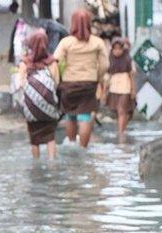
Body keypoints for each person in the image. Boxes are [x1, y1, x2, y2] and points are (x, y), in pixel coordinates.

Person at [53, 9, 107, 148]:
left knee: (70, 115)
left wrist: (59, 79)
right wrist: (97, 77)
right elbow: (105, 65)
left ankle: (71, 144)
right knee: (85, 116)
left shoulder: (66, 42)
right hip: (89, 84)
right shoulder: (97, 42)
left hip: (69, 84)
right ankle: (83, 148)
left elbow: (56, 61)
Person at [17, 30, 60, 159]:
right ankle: (52, 162)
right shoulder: (52, 62)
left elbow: (21, 83)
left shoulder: (25, 63)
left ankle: (36, 162)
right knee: (50, 136)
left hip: (31, 106)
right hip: (49, 104)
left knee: (34, 138)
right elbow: (56, 82)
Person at [102, 37, 136, 140]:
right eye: (115, 48)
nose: (117, 51)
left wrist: (133, 90)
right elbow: (107, 76)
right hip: (114, 86)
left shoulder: (128, 59)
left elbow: (131, 76)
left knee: (122, 110)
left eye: (119, 48)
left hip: (125, 86)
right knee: (118, 111)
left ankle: (121, 132)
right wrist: (104, 91)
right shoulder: (109, 59)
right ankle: (122, 130)